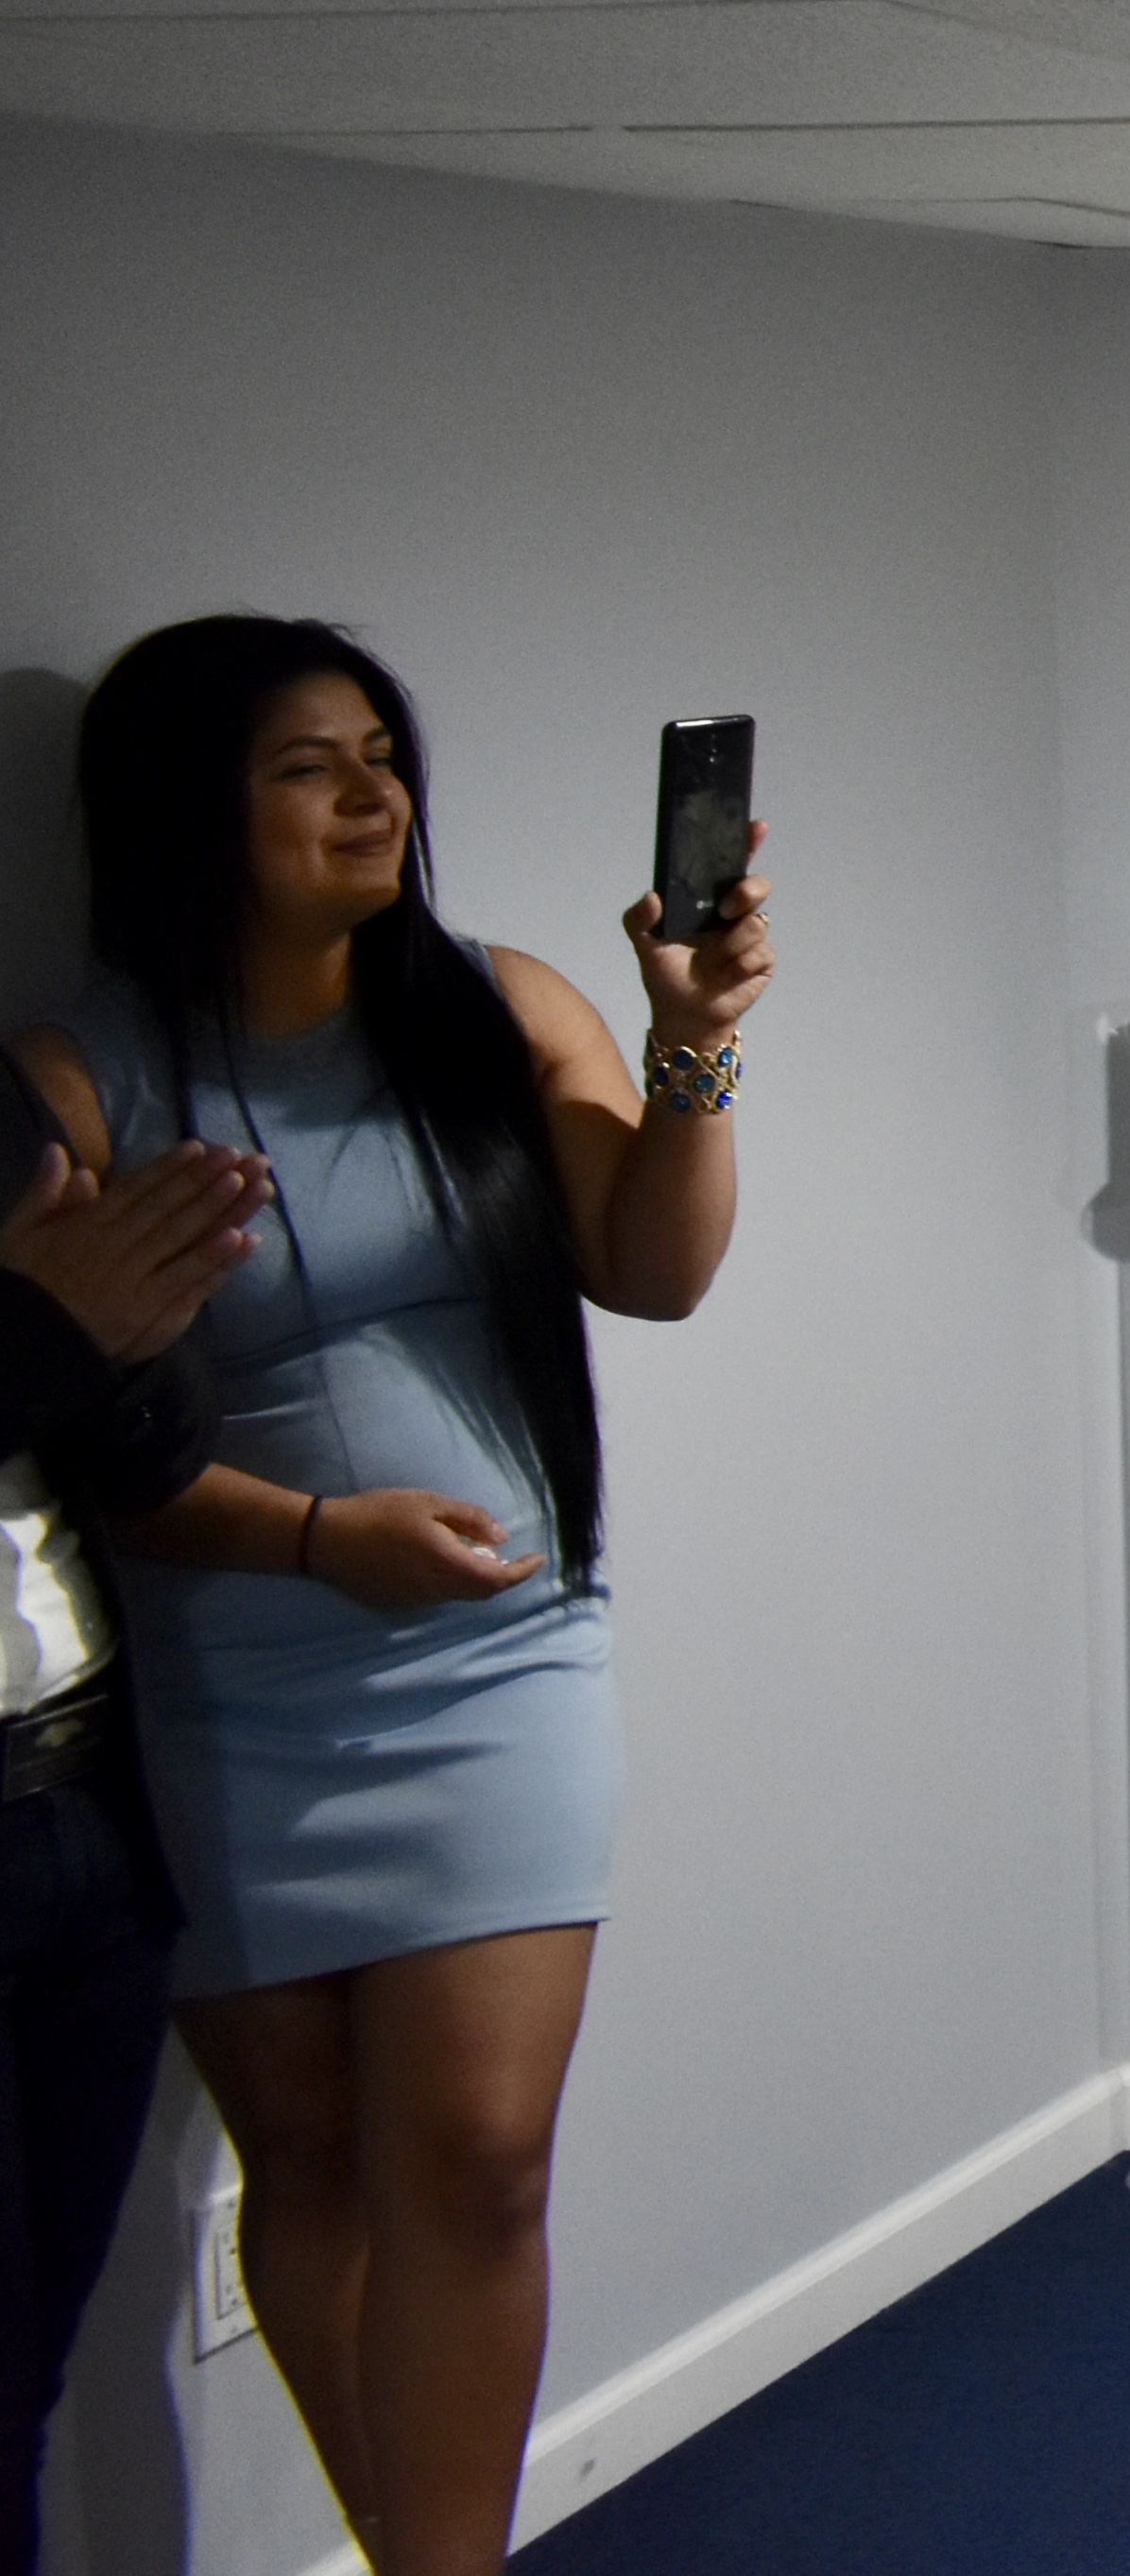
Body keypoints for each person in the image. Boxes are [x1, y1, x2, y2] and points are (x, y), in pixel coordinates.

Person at [9, 616, 777, 2576]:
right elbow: (74, 1438)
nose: (374, 795)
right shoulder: (82, 1082)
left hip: (503, 1662)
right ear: (188, 808)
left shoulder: (493, 1009)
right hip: (228, 1681)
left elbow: (658, 1266)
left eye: (380, 753)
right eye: (309, 765)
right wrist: (310, 1537)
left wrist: (694, 1039)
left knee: (483, 2159)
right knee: (314, 2163)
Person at [0, 1096, 260, 2570]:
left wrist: (134, 1337)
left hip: (92, 1800)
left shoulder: (3, 1099)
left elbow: (157, 1445)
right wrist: (48, 1331)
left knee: (31, 2372)